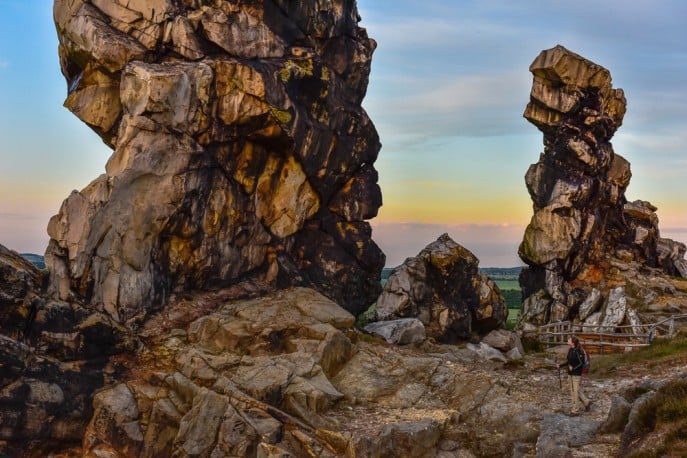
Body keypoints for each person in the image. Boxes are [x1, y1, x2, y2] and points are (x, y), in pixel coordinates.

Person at [557, 335, 591, 415]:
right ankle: (587, 402)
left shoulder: (579, 351)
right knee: (576, 390)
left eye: (569, 340)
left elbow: (581, 363)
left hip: (576, 374)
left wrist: (574, 368)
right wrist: (560, 365)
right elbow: (568, 361)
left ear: (572, 342)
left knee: (574, 392)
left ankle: (575, 410)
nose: (567, 340)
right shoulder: (570, 350)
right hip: (570, 373)